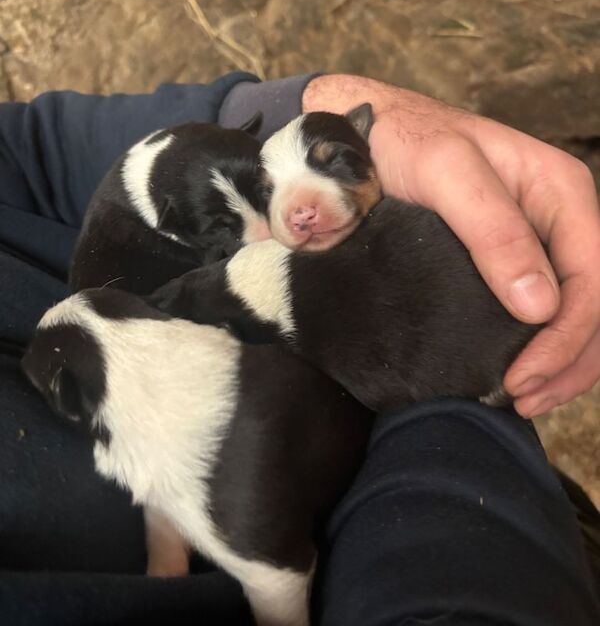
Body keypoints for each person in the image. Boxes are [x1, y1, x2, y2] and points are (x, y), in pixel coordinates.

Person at [0, 71, 598, 625]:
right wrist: (460, 420)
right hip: (448, 435)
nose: (270, 231)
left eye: (264, 197)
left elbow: (32, 151)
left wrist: (317, 107)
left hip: (429, 376)